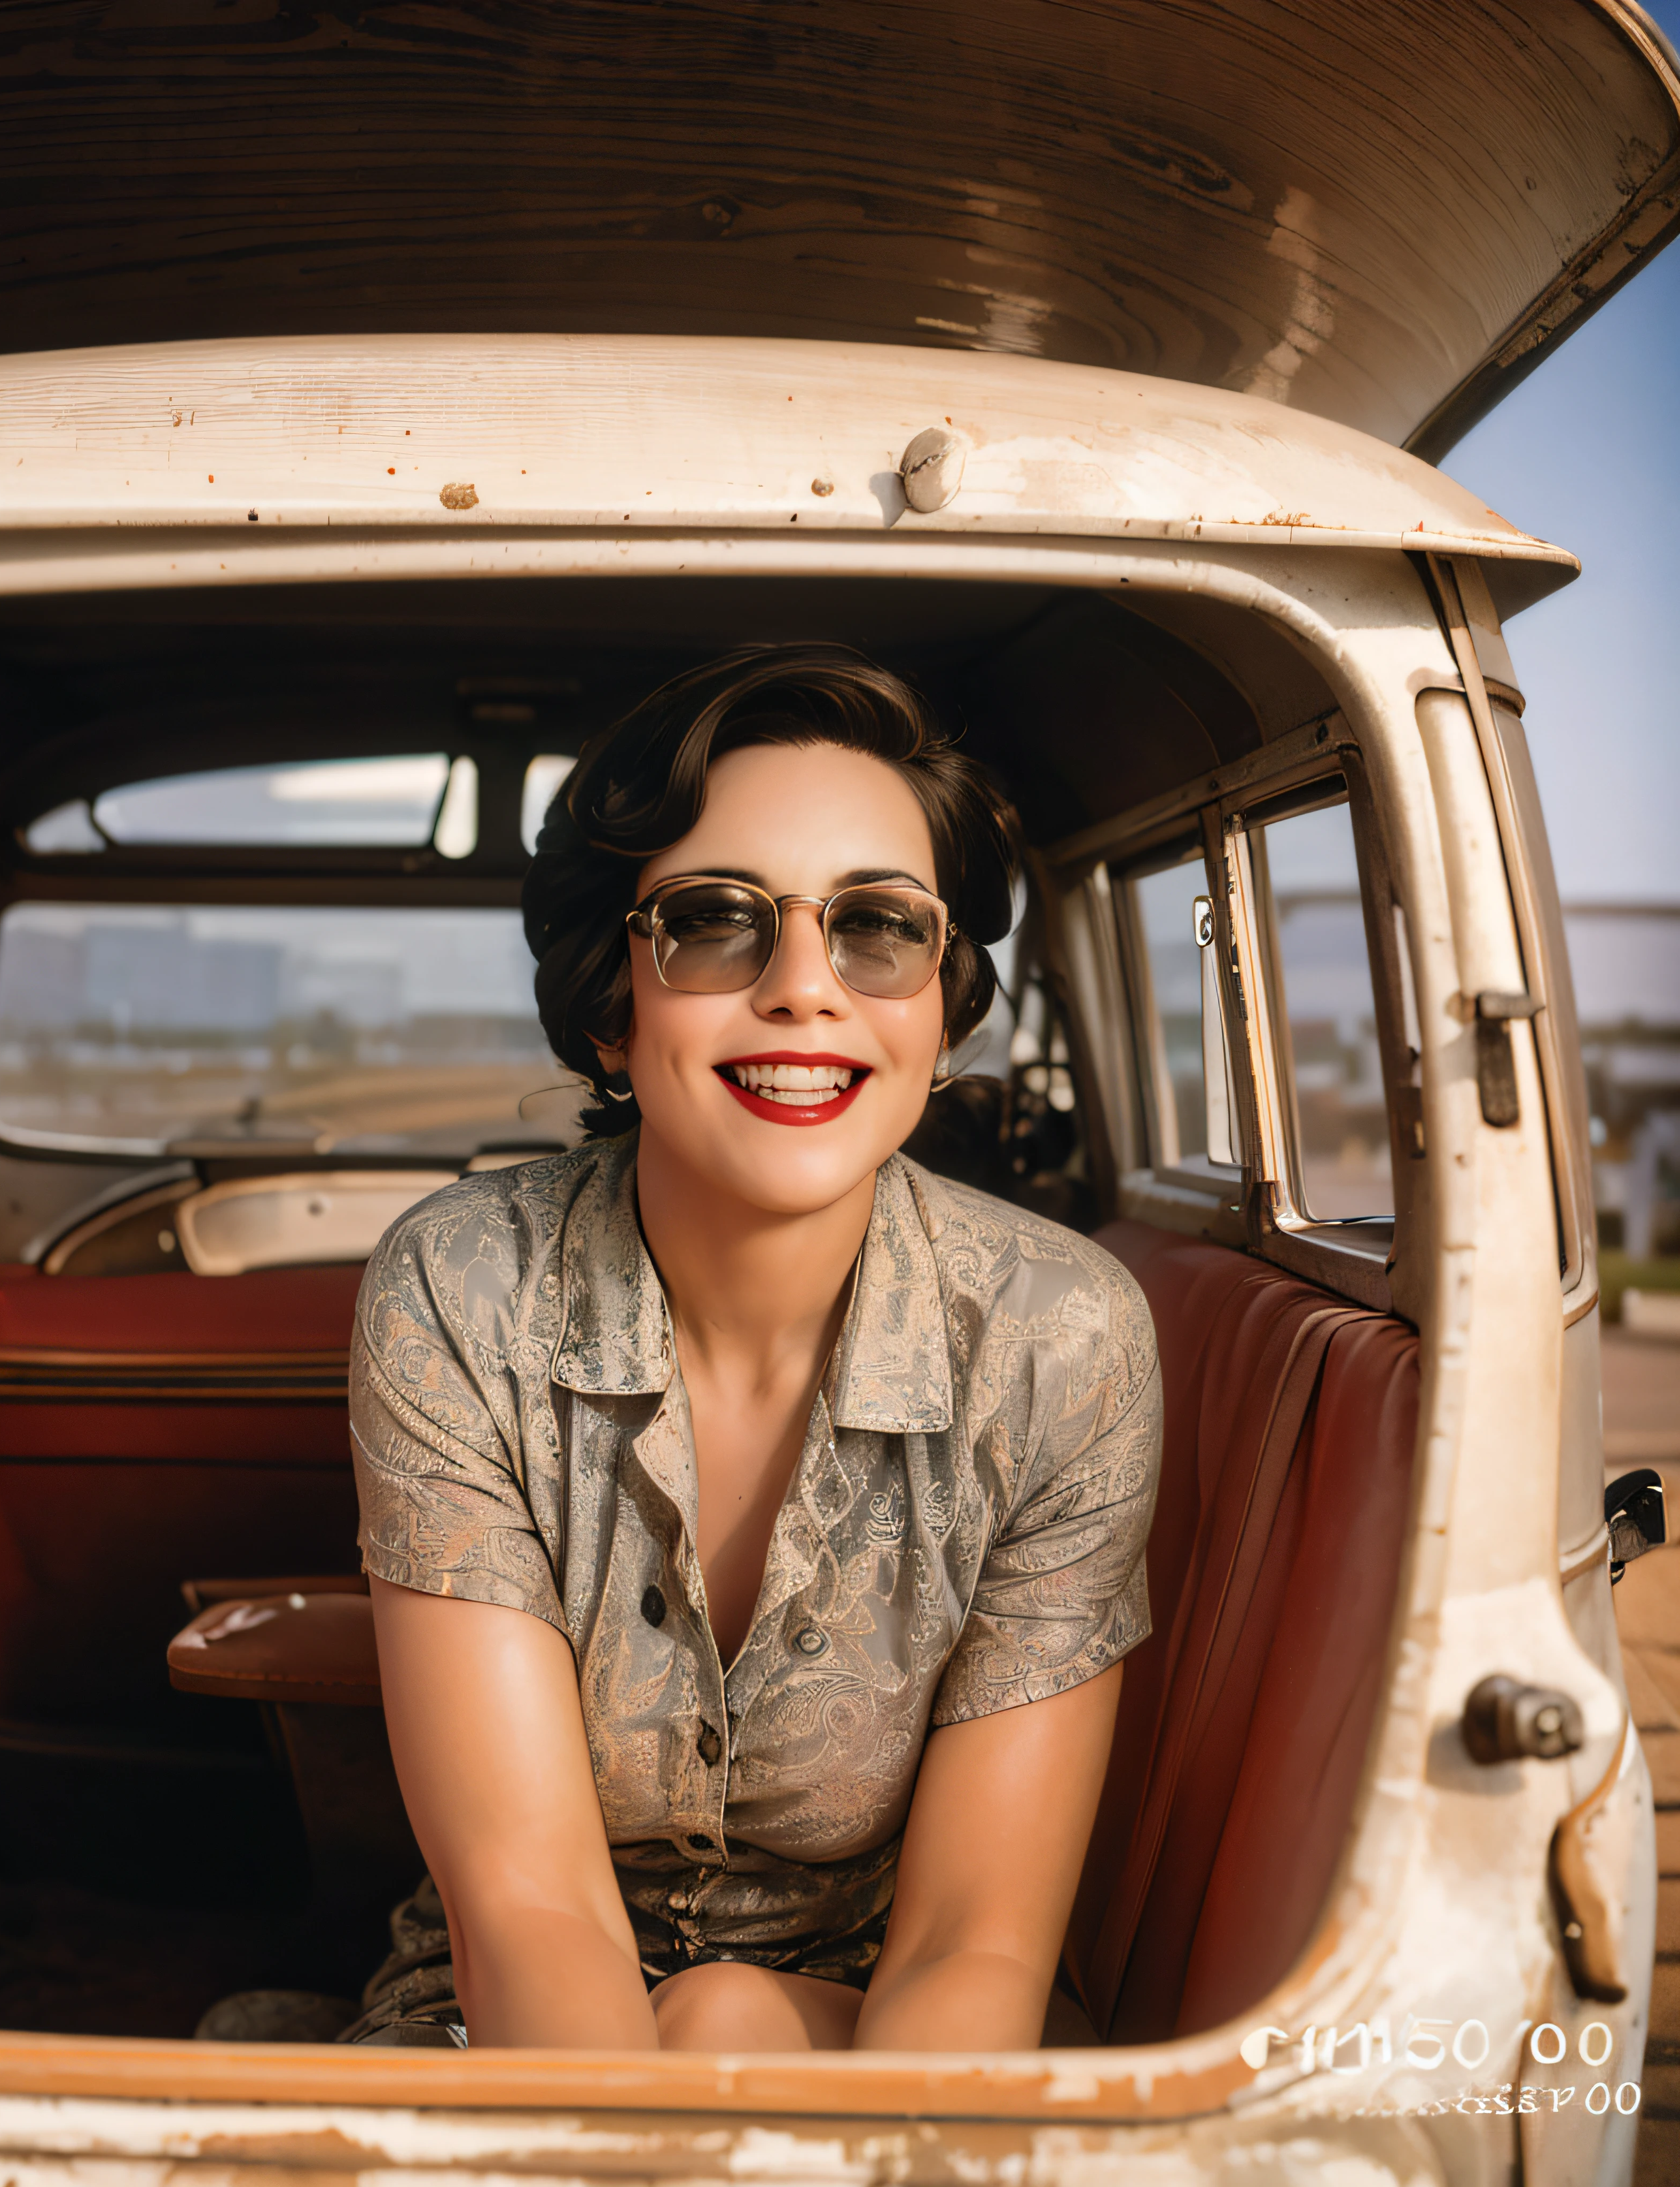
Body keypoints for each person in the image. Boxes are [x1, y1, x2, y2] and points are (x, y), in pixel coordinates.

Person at [346, 644, 1160, 2051]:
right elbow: (525, 1907)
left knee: (728, 2017)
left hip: (911, 2030)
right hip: (496, 2023)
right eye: (717, 923)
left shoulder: (1060, 1336)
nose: (802, 987)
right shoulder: (460, 1287)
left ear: (946, 1006)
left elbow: (976, 1947)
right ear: (615, 1001)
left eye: (879, 928)